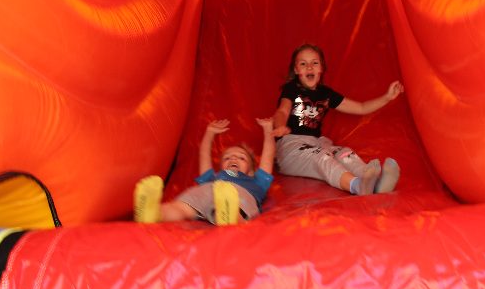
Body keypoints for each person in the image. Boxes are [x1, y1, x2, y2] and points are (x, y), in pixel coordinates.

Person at [271, 43, 403, 195]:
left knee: (344, 152)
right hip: (291, 149)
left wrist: (387, 97)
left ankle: (374, 181)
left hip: (317, 143)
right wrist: (280, 126)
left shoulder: (326, 94)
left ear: (321, 68)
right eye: (303, 64)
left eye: (315, 63)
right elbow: (282, 111)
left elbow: (361, 108)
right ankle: (357, 186)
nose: (309, 67)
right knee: (321, 157)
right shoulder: (291, 89)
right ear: (296, 70)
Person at [134, 118, 275, 226]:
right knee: (181, 207)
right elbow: (204, 156)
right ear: (221, 167)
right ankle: (154, 212)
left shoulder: (256, 181)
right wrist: (209, 133)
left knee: (237, 206)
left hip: (239, 194)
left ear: (252, 171)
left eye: (241, 158)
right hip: (208, 190)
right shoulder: (214, 177)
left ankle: (230, 216)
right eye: (227, 157)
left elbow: (268, 156)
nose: (233, 158)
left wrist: (268, 130)